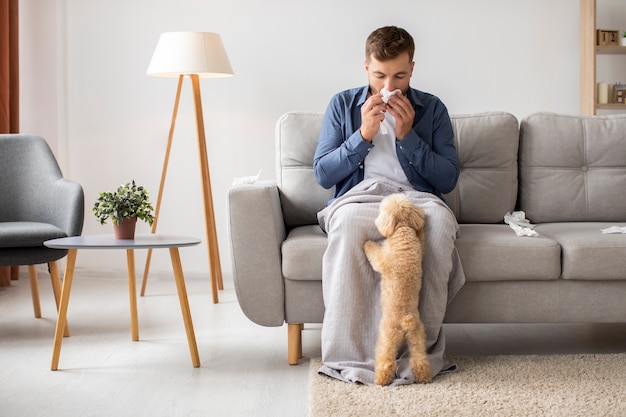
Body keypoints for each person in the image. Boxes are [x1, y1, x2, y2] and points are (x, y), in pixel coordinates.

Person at [313, 26, 466, 386]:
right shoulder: (341, 105)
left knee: (440, 227)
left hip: (417, 198)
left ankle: (419, 354)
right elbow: (322, 173)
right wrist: (362, 135)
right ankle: (349, 353)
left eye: (399, 75)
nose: (389, 85)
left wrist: (407, 136)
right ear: (366, 67)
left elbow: (447, 179)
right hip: (358, 197)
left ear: (412, 69)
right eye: (380, 75)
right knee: (349, 224)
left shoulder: (433, 109)